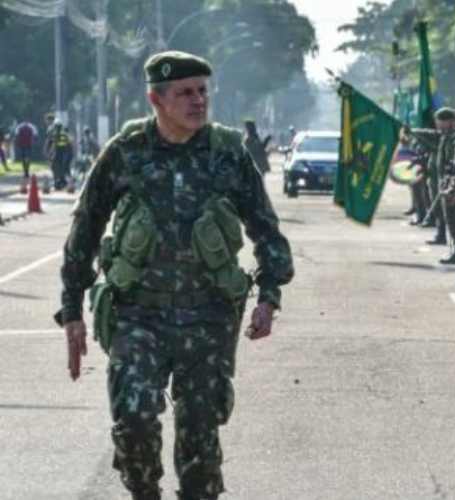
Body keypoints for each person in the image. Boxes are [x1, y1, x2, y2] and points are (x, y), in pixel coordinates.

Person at [56, 50, 294, 500]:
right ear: (157, 99)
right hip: (138, 315)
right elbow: (84, 229)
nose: (198, 100)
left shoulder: (228, 155)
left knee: (200, 440)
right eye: (185, 92)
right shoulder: (126, 153)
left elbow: (266, 229)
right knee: (135, 419)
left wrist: (268, 296)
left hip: (208, 317)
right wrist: (72, 310)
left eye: (203, 90)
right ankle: (144, 492)